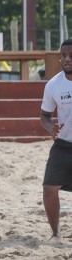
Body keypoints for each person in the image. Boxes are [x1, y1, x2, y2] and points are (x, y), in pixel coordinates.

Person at [40, 38, 72, 243]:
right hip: (62, 145)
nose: (67, 59)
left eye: (71, 56)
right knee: (49, 188)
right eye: (63, 55)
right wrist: (51, 127)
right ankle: (56, 233)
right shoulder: (53, 84)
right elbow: (44, 115)